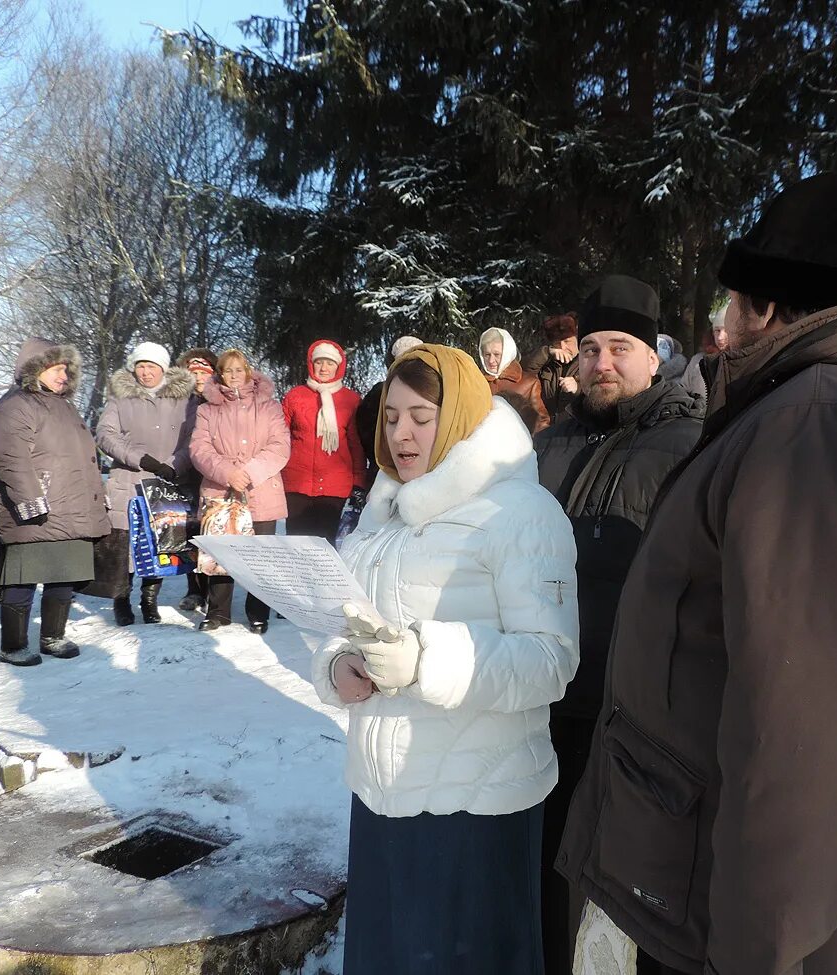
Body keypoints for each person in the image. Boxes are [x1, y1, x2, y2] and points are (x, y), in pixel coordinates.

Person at [556, 173, 837, 975]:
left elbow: (812, 739)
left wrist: (755, 953)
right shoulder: (814, 410)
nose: (717, 332)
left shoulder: (827, 425)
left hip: (724, 923)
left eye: (729, 308)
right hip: (694, 884)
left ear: (770, 308)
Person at [309, 344, 578, 975]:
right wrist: (336, 665)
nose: (402, 433)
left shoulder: (521, 514)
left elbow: (550, 661)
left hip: (473, 805)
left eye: (422, 416)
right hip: (380, 794)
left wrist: (425, 661)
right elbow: (339, 623)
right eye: (392, 416)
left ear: (459, 417)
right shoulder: (383, 514)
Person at [533, 275, 704, 975]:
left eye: (621, 348)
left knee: (629, 914)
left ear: (654, 355)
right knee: (549, 890)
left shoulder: (695, 444)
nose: (603, 363)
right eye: (593, 348)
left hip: (641, 725)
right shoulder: (548, 447)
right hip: (546, 709)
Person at [0, 339, 109, 667]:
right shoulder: (16, 405)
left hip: (70, 506)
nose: (63, 375)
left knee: (63, 576)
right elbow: (11, 459)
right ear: (35, 369)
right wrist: (30, 501)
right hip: (37, 509)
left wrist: (98, 499)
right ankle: (13, 645)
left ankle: (53, 636)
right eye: (56, 369)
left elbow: (85, 460)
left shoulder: (64, 407)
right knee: (23, 578)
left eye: (66, 369)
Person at [95, 342, 196, 627]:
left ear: (163, 368)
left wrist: (175, 465)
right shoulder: (119, 397)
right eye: (141, 365)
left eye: (151, 366)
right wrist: (142, 459)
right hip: (129, 479)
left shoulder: (185, 400)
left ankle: (149, 600)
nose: (146, 372)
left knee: (158, 541)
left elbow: (194, 438)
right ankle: (122, 599)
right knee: (126, 543)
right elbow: (105, 435)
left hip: (168, 479)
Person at [189, 349, 290, 633]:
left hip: (261, 488)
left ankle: (258, 612)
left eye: (238, 370)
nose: (234, 376)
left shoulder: (269, 406)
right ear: (220, 374)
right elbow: (199, 448)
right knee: (223, 553)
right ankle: (218, 611)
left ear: (248, 372)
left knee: (260, 556)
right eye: (227, 370)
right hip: (221, 490)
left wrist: (249, 473)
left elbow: (280, 445)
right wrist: (227, 473)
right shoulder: (207, 409)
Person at [281, 339, 366, 543]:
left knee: (324, 544)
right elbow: (280, 437)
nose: (324, 368)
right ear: (312, 364)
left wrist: (359, 483)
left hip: (334, 486)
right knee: (297, 544)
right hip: (297, 484)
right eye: (319, 362)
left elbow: (356, 444)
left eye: (329, 363)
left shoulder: (351, 400)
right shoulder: (295, 396)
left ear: (338, 366)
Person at [175, 347, 219, 613]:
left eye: (204, 373)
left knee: (212, 532)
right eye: (194, 373)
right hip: (185, 475)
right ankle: (194, 589)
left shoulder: (218, 401)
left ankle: (215, 588)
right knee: (189, 535)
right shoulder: (179, 402)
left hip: (213, 475)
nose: (199, 378)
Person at [356, 335, 423, 487]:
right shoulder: (380, 392)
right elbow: (364, 427)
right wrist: (380, 454)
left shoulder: (432, 391)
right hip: (385, 468)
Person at [479, 326, 550, 432]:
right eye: (487, 355)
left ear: (508, 353)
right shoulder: (476, 382)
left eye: (497, 354)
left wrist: (528, 445)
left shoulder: (529, 383)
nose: (491, 360)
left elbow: (542, 422)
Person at [522, 313, 581, 420]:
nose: (563, 347)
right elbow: (526, 373)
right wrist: (546, 353)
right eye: (558, 342)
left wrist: (578, 389)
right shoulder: (547, 363)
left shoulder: (587, 363)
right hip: (547, 429)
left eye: (567, 341)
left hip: (575, 430)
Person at [682, 306, 730, 402]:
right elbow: (682, 391)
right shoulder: (698, 361)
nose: (720, 337)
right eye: (717, 330)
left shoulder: (744, 362)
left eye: (726, 330)